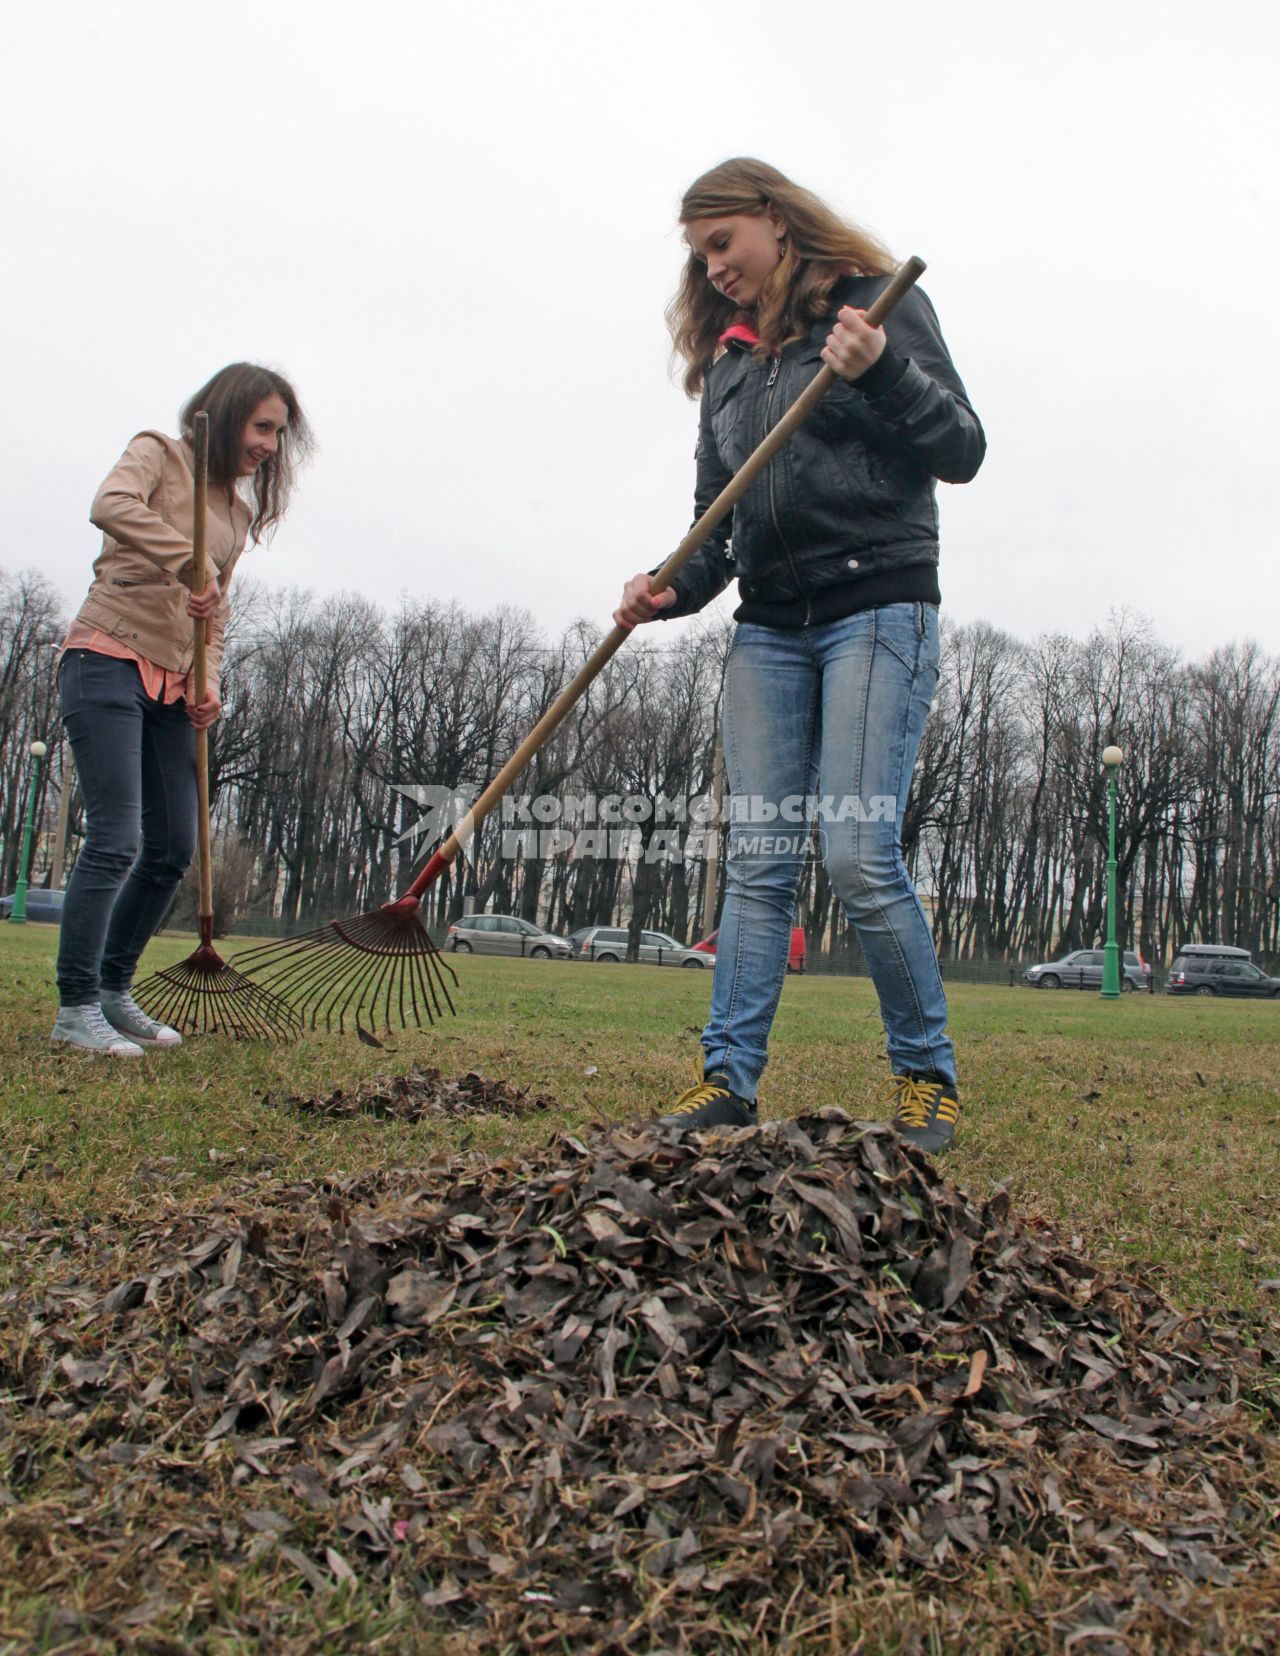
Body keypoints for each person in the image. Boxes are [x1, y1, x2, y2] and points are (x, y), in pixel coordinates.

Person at [614, 159, 984, 1152]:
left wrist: (881, 370)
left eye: (721, 242)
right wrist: (666, 586)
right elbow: (715, 527)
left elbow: (960, 448)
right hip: (770, 628)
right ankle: (725, 1083)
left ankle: (924, 1081)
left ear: (773, 220)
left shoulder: (873, 311)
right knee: (760, 865)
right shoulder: (731, 366)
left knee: (858, 854)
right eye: (699, 255)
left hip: (875, 607)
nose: (713, 267)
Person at [51, 364, 313, 1055]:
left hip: (173, 682)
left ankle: (112, 992)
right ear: (226, 415)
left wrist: (209, 681)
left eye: (278, 434)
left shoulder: (237, 512)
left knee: (170, 849)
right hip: (106, 654)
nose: (268, 446)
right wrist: (186, 559)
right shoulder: (158, 455)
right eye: (262, 427)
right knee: (116, 839)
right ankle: (75, 1008)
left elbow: (215, 612)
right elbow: (110, 505)